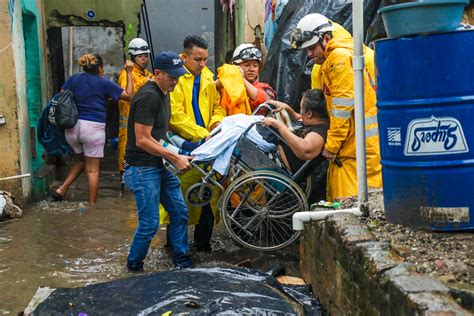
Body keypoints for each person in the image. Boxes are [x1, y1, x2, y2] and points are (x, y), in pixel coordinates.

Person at [290, 13, 382, 201]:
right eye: (306, 50)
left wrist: (331, 146)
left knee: (350, 207)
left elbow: (342, 110)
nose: (309, 54)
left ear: (326, 38)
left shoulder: (338, 59)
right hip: (354, 148)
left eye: (312, 48)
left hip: (357, 150)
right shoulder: (332, 59)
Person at [123, 50, 192, 271]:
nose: (175, 80)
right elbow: (143, 140)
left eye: (178, 75)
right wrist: (175, 157)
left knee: (180, 212)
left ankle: (182, 261)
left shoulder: (165, 92)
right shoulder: (148, 97)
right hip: (142, 167)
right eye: (171, 75)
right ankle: (134, 267)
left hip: (159, 164)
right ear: (157, 73)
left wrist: (184, 149)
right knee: (149, 224)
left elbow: (161, 134)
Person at [165, 35, 226, 252]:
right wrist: (201, 135)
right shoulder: (176, 81)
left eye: (205, 60)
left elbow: (217, 106)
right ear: (184, 57)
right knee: (179, 201)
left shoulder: (208, 78)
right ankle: (173, 248)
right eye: (197, 59)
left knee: (208, 198)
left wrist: (215, 124)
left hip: (208, 146)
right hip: (187, 148)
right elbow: (175, 116)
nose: (202, 64)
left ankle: (203, 246)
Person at [51, 54, 134, 204]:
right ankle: (92, 207)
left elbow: (62, 96)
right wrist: (129, 73)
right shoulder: (104, 83)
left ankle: (62, 189)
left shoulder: (74, 79)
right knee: (93, 170)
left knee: (83, 159)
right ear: (100, 68)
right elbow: (128, 95)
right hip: (93, 129)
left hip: (72, 128)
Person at [264, 89, 329, 202]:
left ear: (309, 113)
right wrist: (288, 109)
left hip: (286, 166)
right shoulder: (317, 121)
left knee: (272, 132)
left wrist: (280, 126)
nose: (300, 111)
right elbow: (301, 118)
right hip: (284, 157)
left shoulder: (320, 132)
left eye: (301, 108)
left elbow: (305, 149)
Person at [117, 38, 154, 187]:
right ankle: (125, 180)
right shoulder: (126, 75)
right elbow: (129, 95)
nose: (144, 59)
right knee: (126, 151)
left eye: (145, 55)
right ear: (132, 57)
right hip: (128, 123)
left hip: (141, 121)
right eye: (140, 56)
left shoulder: (146, 73)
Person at [231, 44, 276, 111]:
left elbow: (265, 100)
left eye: (255, 66)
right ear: (236, 66)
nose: (252, 69)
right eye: (247, 65)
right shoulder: (228, 86)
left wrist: (242, 79)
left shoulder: (264, 87)